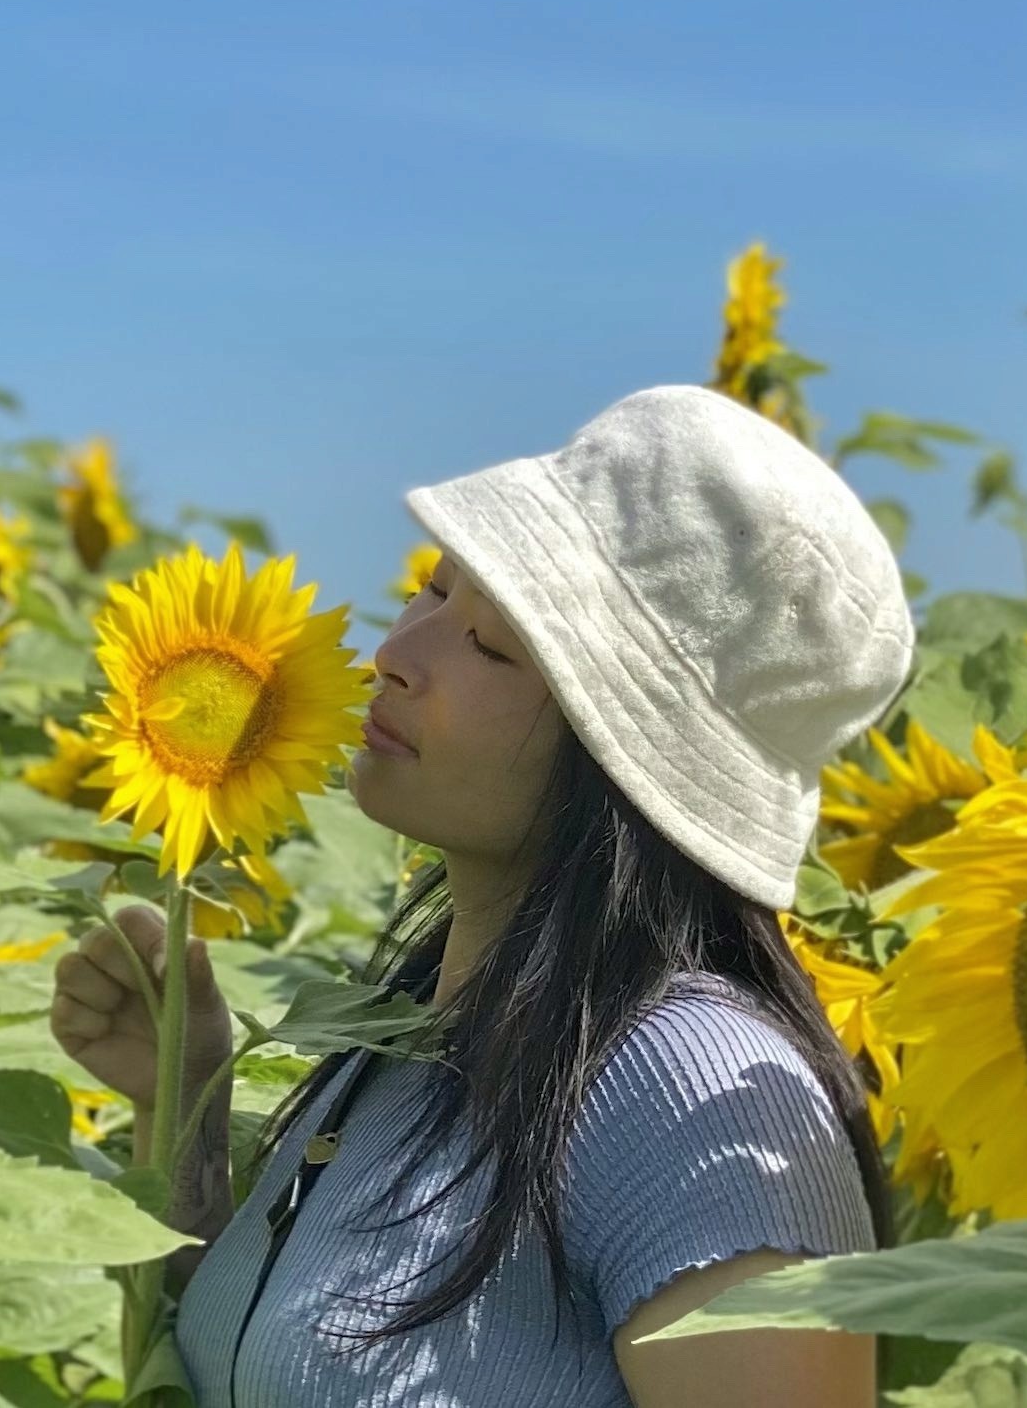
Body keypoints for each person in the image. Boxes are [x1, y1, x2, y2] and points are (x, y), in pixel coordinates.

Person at [50, 383, 914, 1408]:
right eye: (432, 590)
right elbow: (273, 1370)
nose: (396, 657)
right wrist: (185, 1105)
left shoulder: (697, 1097)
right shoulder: (415, 1028)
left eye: (494, 646)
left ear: (632, 761)